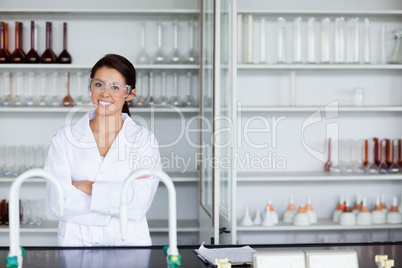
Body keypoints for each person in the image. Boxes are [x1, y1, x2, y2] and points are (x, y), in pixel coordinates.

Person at [45, 54, 161, 246]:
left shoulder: (143, 140)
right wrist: (118, 199)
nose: (105, 93)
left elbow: (139, 204)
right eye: (99, 84)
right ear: (90, 87)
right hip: (77, 243)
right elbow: (58, 201)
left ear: (130, 94)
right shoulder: (64, 138)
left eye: (115, 87)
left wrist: (86, 187)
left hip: (129, 244)